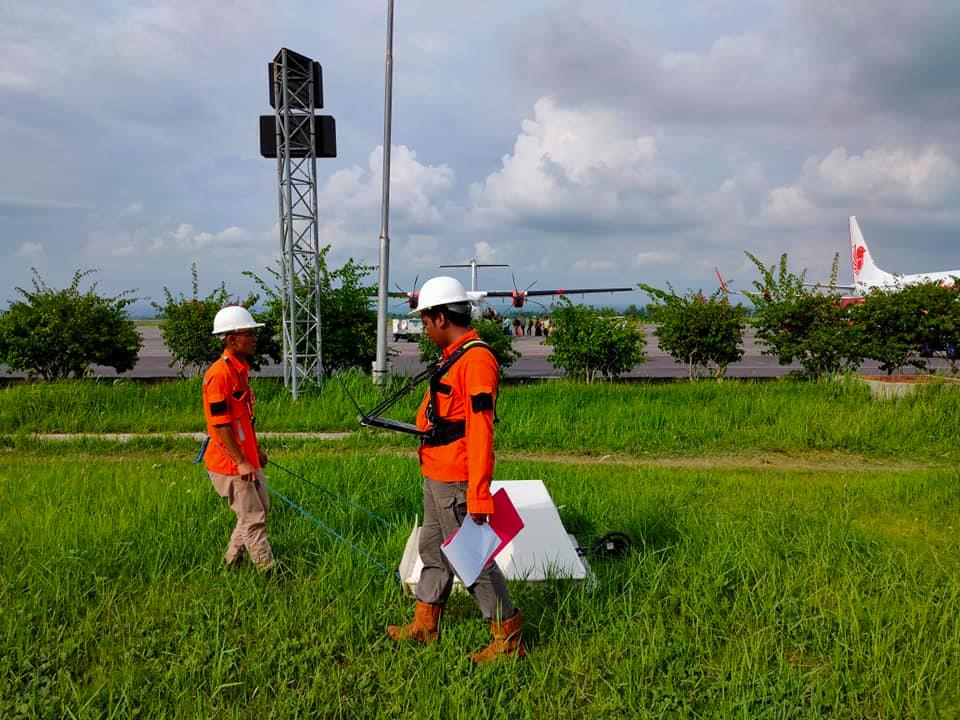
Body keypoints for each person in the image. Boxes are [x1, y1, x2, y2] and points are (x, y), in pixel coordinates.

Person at [387, 276, 525, 663]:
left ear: (442, 318)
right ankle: (426, 624)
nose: (424, 328)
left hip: (459, 478)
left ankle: (507, 637)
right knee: (433, 548)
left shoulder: (477, 361)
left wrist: (479, 491)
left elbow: (481, 430)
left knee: (472, 559)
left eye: (425, 321)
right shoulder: (454, 355)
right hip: (436, 471)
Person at [201, 305, 275, 572]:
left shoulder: (240, 371)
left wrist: (256, 451)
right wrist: (242, 461)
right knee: (253, 519)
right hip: (232, 465)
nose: (254, 339)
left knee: (258, 510)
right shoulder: (219, 375)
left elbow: (243, 421)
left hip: (246, 458)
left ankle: (231, 564)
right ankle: (270, 574)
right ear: (232, 339)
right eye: (250, 334)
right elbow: (221, 427)